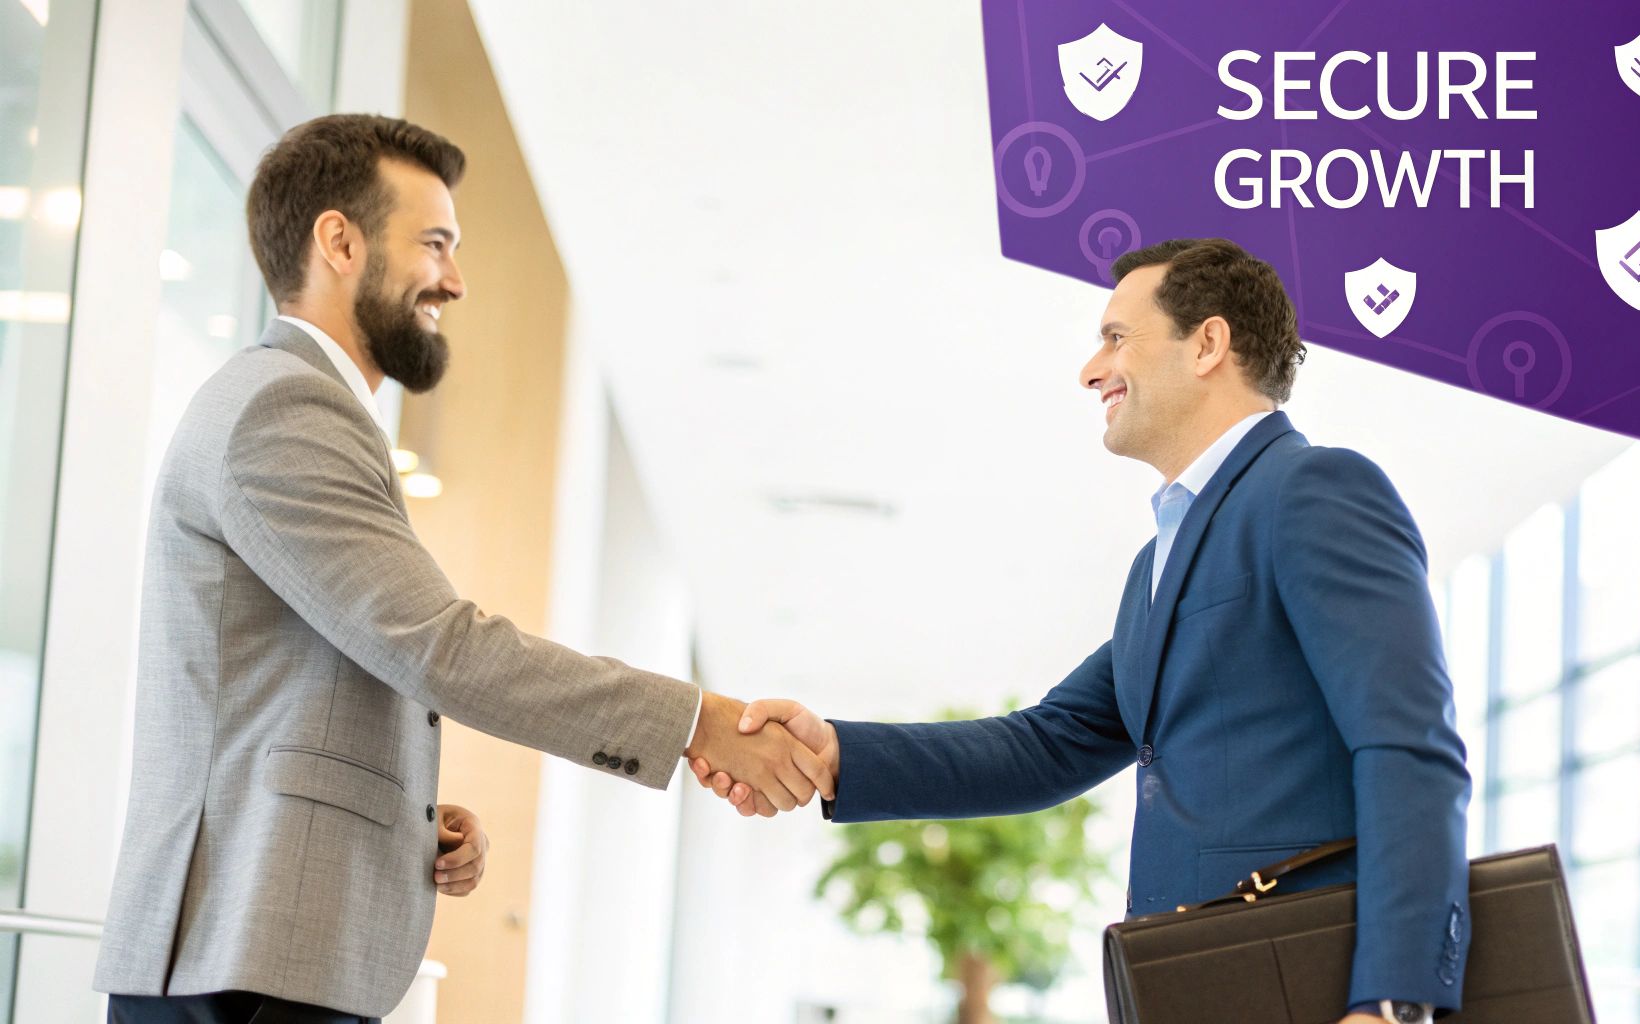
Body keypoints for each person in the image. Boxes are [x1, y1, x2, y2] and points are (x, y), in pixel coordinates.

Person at [95, 114, 831, 1024]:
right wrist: (695, 721)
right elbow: (439, 647)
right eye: (434, 243)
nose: (455, 278)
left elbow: (309, 684)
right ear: (340, 241)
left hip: (263, 949)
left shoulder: (295, 406)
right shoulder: (282, 409)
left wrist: (409, 821)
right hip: (244, 955)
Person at [695, 239, 1472, 1024]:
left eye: (1116, 337)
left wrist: (1392, 1002)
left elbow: (1409, 746)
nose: (1091, 369)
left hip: (1307, 989)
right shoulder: (1156, 567)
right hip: (1188, 987)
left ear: (1207, 343)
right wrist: (835, 752)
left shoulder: (1313, 490)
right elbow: (1050, 743)